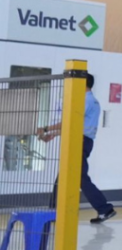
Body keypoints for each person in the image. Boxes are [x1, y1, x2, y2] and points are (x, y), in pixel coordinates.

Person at [37, 72, 116, 224]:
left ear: (83, 84)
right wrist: (53, 134)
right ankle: (53, 211)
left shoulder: (85, 100)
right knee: (64, 176)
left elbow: (69, 121)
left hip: (79, 142)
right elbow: (76, 126)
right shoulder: (93, 101)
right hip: (82, 140)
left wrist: (46, 129)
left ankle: (104, 208)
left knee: (80, 177)